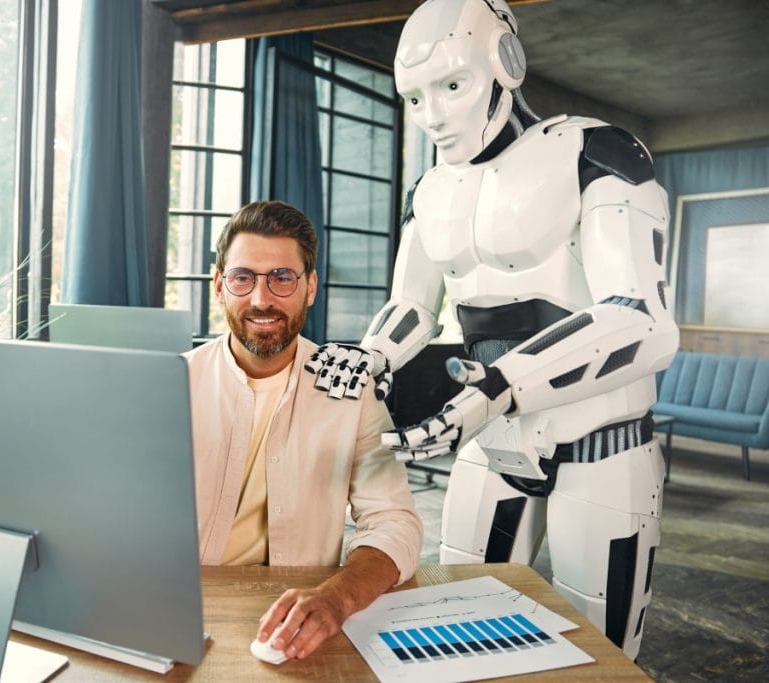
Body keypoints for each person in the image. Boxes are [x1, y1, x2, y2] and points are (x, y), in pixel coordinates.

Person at [304, 0, 678, 660]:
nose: (434, 116)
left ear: (506, 63)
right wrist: (371, 355)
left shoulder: (596, 151)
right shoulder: (430, 191)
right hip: (490, 435)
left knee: (605, 654)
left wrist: (503, 383)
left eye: (452, 85)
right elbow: (412, 305)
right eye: (415, 97)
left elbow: (640, 319)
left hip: (601, 440)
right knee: (460, 626)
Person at [185, 200, 423, 661]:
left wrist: (338, 598)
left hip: (301, 618)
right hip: (185, 609)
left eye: (282, 278)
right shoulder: (174, 382)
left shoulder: (350, 387)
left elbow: (395, 522)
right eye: (242, 278)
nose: (261, 299)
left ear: (310, 287)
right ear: (219, 286)